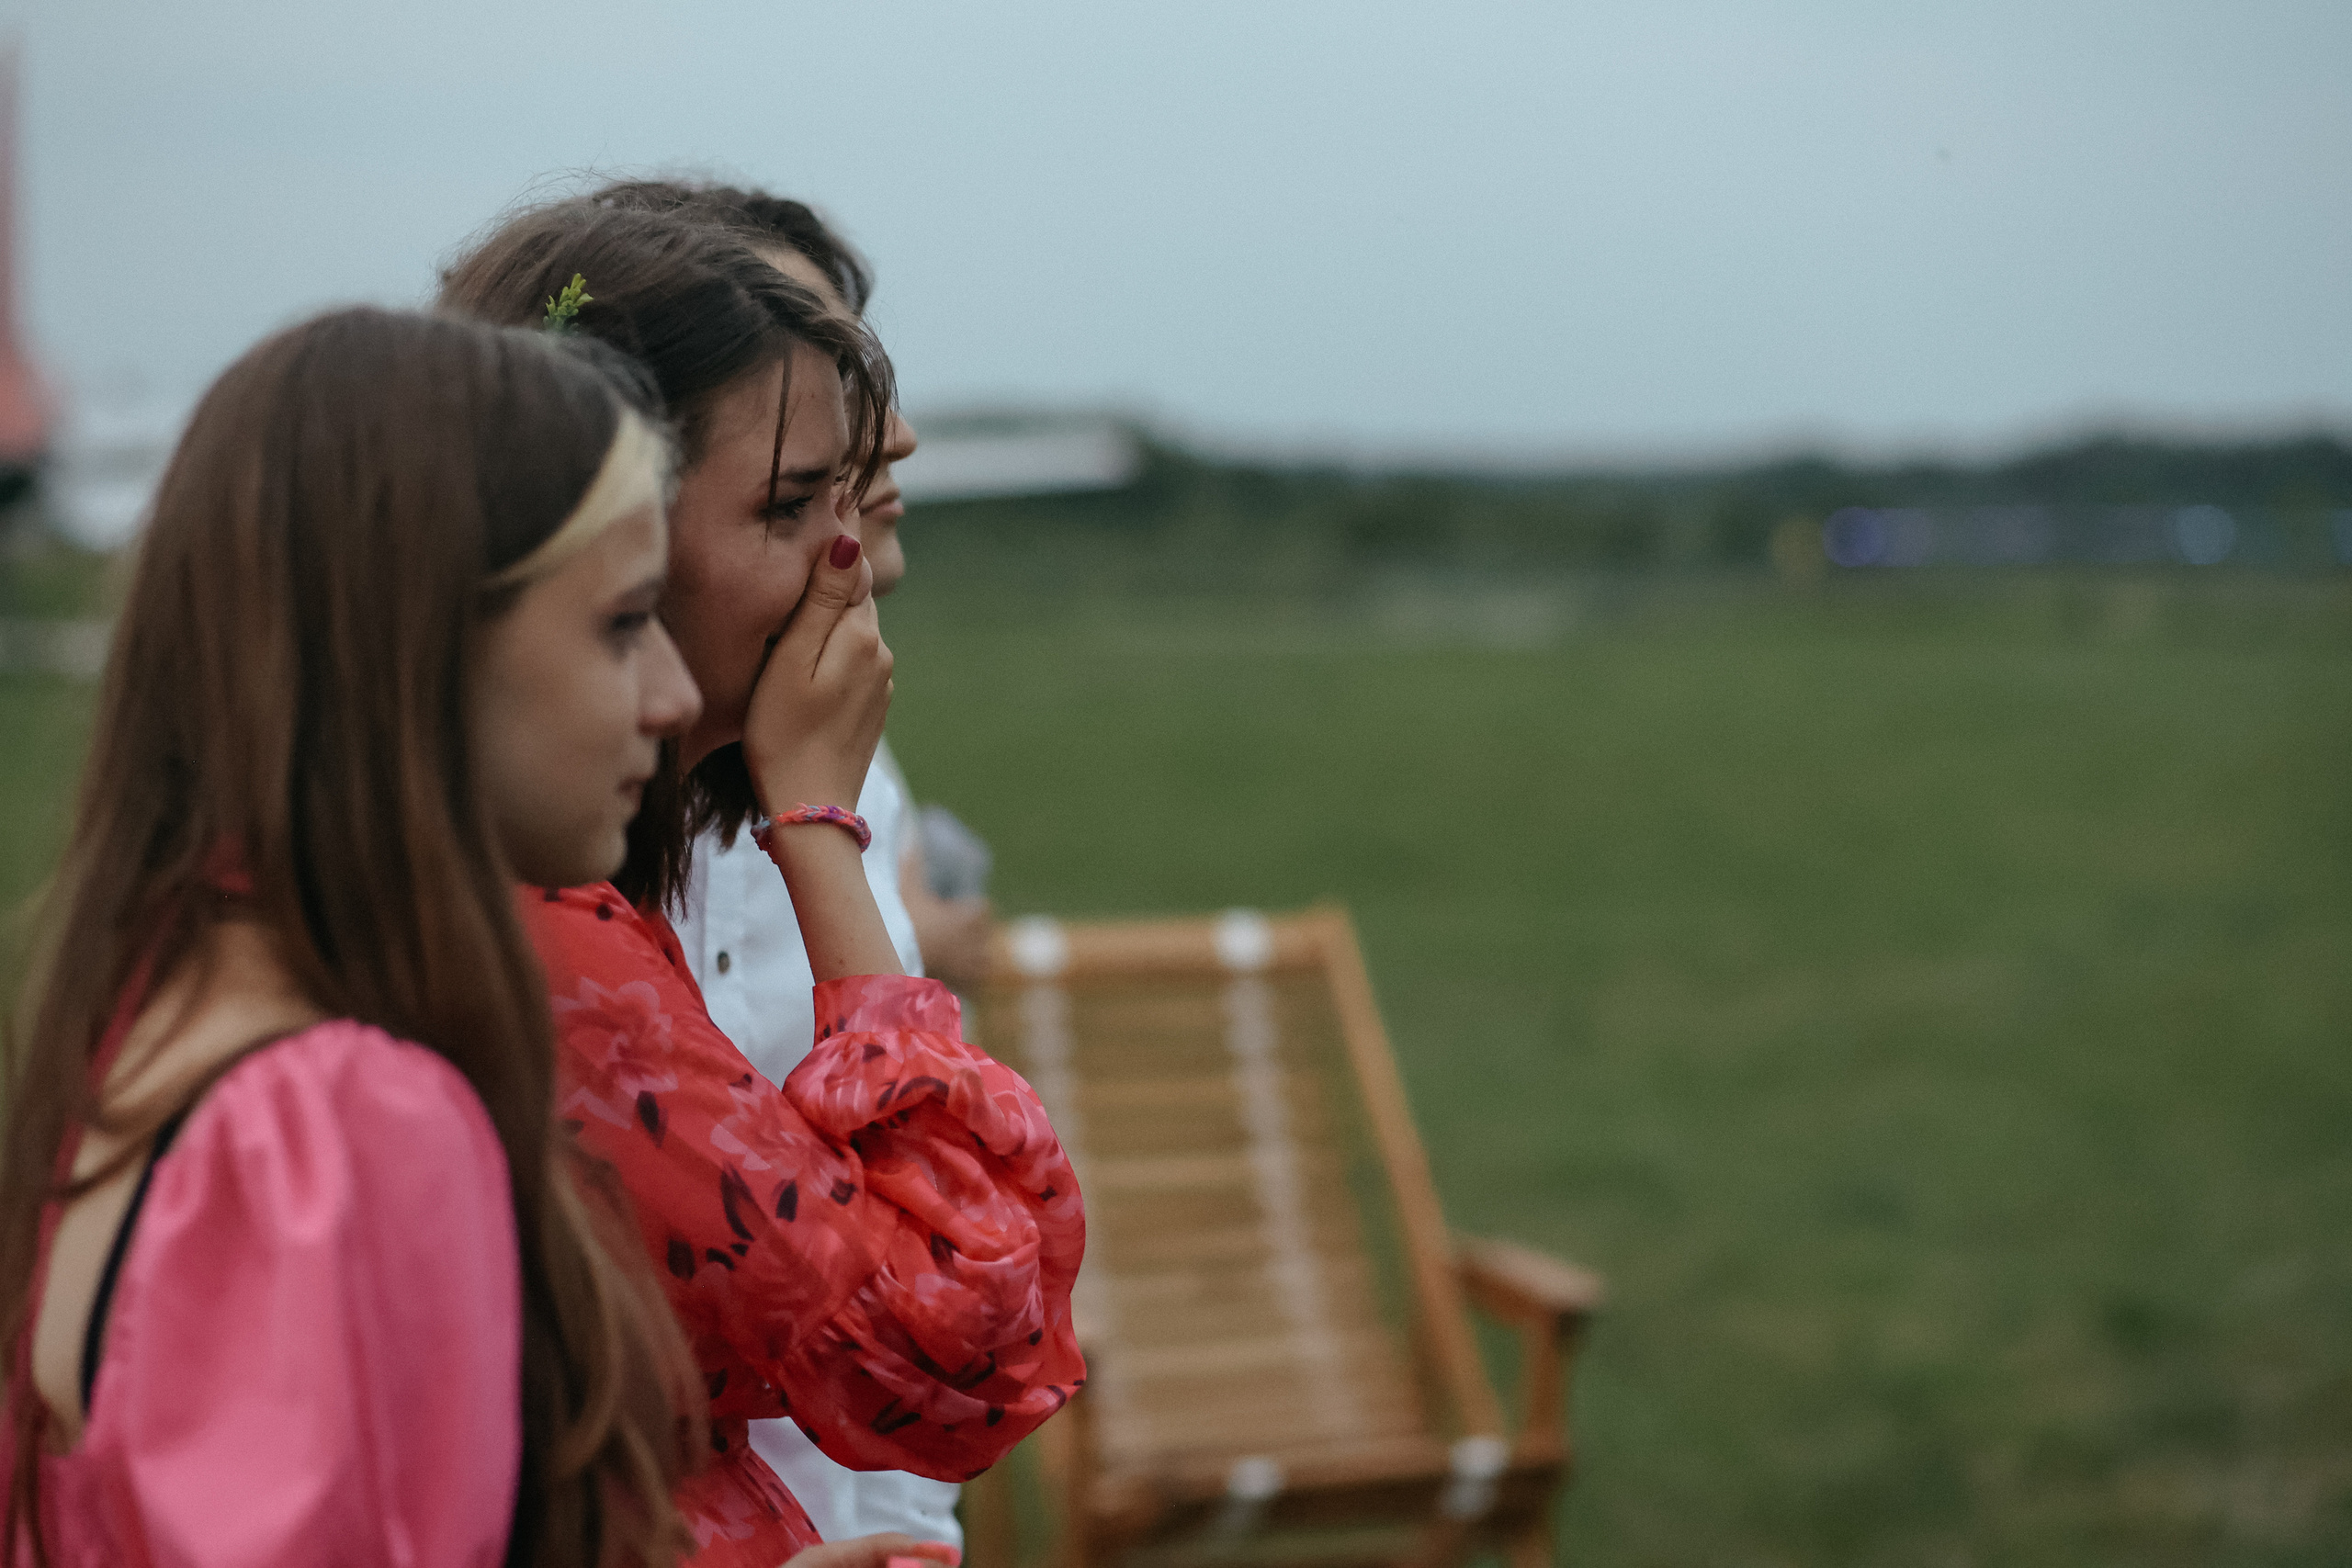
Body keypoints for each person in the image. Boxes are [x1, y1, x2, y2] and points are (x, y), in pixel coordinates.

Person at [0, 307, 708, 1566]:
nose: (674, 692)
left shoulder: (156, 1031)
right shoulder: (337, 1121)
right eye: (620, 622)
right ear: (416, 650)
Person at [440, 204, 1086, 1568]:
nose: (884, 465)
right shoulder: (544, 936)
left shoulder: (515, 871)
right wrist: (814, 825)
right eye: (794, 499)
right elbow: (952, 1336)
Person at [583, 177, 994, 1549]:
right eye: (788, 482)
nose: (893, 436)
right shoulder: (578, 881)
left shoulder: (827, 747)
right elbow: (942, 1329)